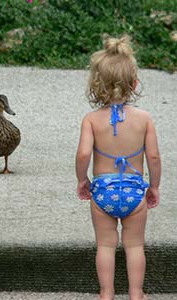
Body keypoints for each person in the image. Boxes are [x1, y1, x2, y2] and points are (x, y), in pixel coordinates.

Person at [75, 35, 161, 300]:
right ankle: (136, 294)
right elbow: (154, 157)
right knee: (135, 246)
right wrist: (154, 186)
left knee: (105, 245)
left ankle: (106, 293)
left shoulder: (91, 119)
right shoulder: (144, 119)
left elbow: (84, 153)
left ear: (96, 84)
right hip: (135, 193)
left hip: (103, 193)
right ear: (134, 83)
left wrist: (82, 180)